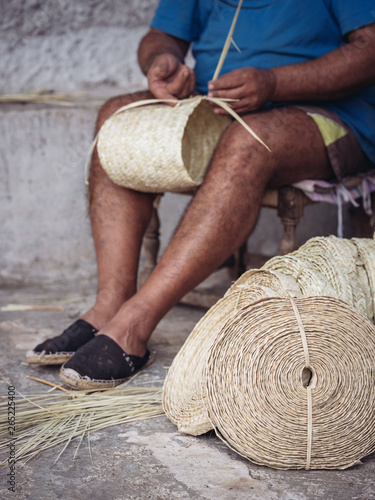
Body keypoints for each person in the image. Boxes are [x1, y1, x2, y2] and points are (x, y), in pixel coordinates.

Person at [27, 0, 375, 389]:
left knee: (249, 141)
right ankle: (109, 304)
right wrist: (162, 61)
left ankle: (136, 323)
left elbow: (370, 48)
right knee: (118, 117)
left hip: (329, 115)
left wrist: (275, 83)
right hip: (218, 108)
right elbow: (162, 36)